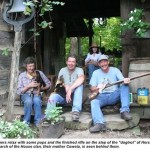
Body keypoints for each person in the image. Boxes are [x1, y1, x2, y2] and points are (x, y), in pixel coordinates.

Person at [89, 54, 132, 133]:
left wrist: (125, 81)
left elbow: (122, 81)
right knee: (93, 101)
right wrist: (99, 87)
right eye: (101, 62)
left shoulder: (115, 70)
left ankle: (124, 111)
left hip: (114, 95)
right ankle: (100, 123)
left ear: (108, 62)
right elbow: (92, 88)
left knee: (124, 86)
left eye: (105, 61)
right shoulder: (95, 73)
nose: (103, 64)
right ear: (98, 64)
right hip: (101, 96)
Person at [47, 54, 84, 122]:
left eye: (73, 62)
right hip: (63, 96)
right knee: (52, 97)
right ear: (66, 62)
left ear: (76, 63)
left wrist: (70, 89)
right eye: (69, 61)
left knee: (80, 86)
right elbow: (59, 82)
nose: (71, 63)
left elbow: (81, 79)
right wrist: (66, 86)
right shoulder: (62, 70)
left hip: (74, 97)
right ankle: (49, 117)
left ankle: (75, 112)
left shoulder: (79, 70)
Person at [17, 57, 51, 126]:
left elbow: (49, 84)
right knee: (28, 101)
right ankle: (26, 122)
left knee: (37, 101)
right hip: (25, 94)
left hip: (36, 93)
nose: (32, 68)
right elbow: (19, 91)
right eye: (30, 66)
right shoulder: (22, 75)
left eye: (33, 66)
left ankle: (38, 123)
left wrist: (41, 88)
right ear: (26, 66)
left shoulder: (39, 73)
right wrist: (28, 86)